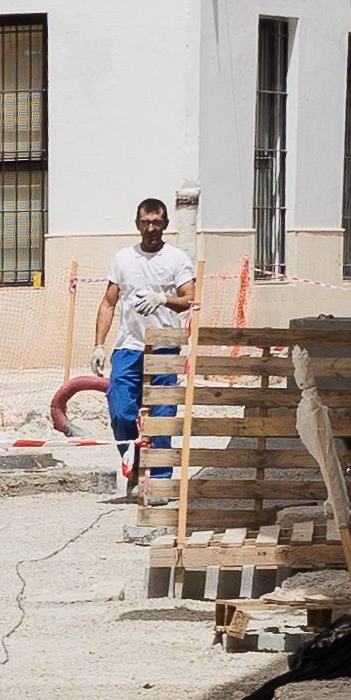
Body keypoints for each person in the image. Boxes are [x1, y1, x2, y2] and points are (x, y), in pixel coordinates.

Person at [89, 198, 198, 494]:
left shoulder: (177, 259)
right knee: (121, 410)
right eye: (146, 223)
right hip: (129, 346)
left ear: (165, 225)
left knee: (162, 415)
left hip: (165, 345)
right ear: (137, 224)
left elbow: (190, 298)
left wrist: (164, 299)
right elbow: (108, 303)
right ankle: (135, 467)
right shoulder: (123, 259)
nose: (151, 229)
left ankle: (159, 479)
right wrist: (98, 345)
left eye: (157, 223)